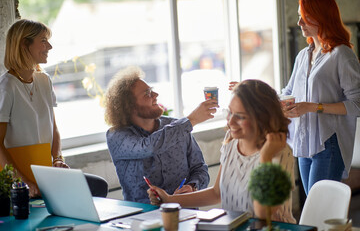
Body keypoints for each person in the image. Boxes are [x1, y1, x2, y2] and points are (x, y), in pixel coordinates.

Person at [148, 80, 296, 223]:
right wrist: (169, 199)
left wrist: (265, 158)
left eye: (240, 116)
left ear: (261, 118)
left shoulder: (279, 153)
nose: (230, 122)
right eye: (230, 113)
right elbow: (217, 193)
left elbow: (264, 215)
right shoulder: (231, 141)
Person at [0, 19, 108, 198]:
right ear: (24, 44)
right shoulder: (6, 87)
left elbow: (53, 128)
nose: (49, 46)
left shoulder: (44, 80)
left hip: (45, 173)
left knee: (97, 187)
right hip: (16, 179)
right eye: (43, 40)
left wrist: (57, 158)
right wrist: (22, 182)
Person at [281, 0, 360, 195]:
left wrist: (312, 107)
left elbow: (357, 104)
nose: (299, 23)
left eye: (304, 17)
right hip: (303, 141)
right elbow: (288, 92)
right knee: (314, 208)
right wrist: (252, 89)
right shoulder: (302, 56)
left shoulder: (341, 54)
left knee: (317, 210)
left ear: (321, 16)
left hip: (328, 142)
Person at [104, 66, 218, 204]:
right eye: (147, 93)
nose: (155, 95)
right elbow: (149, 147)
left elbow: (200, 169)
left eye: (151, 90)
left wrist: (193, 186)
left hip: (184, 213)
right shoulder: (117, 136)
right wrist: (191, 120)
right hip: (141, 218)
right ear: (130, 106)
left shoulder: (177, 126)